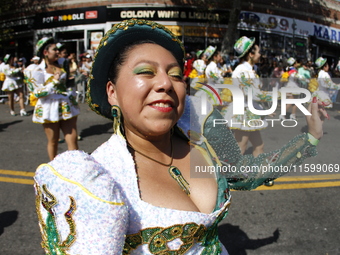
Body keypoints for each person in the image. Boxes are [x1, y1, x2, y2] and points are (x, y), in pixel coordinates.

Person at [34, 19, 327, 254]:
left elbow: (246, 173)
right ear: (113, 92)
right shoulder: (98, 180)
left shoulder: (201, 133)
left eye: (176, 74)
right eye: (146, 72)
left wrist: (309, 137)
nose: (165, 83)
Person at [25, 37, 80, 160]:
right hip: (48, 107)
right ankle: (54, 169)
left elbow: (67, 83)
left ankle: (77, 167)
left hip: (65, 104)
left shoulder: (62, 63)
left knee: (72, 139)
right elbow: (37, 93)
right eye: (54, 49)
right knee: (53, 140)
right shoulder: (35, 70)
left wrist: (71, 92)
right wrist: (54, 81)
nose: (57, 51)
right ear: (45, 52)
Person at [221, 36, 271, 157]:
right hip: (244, 112)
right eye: (259, 52)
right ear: (250, 54)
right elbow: (254, 94)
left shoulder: (248, 70)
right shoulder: (243, 71)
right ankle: (231, 175)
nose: (260, 55)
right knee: (240, 148)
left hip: (249, 111)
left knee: (259, 146)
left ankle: (258, 174)